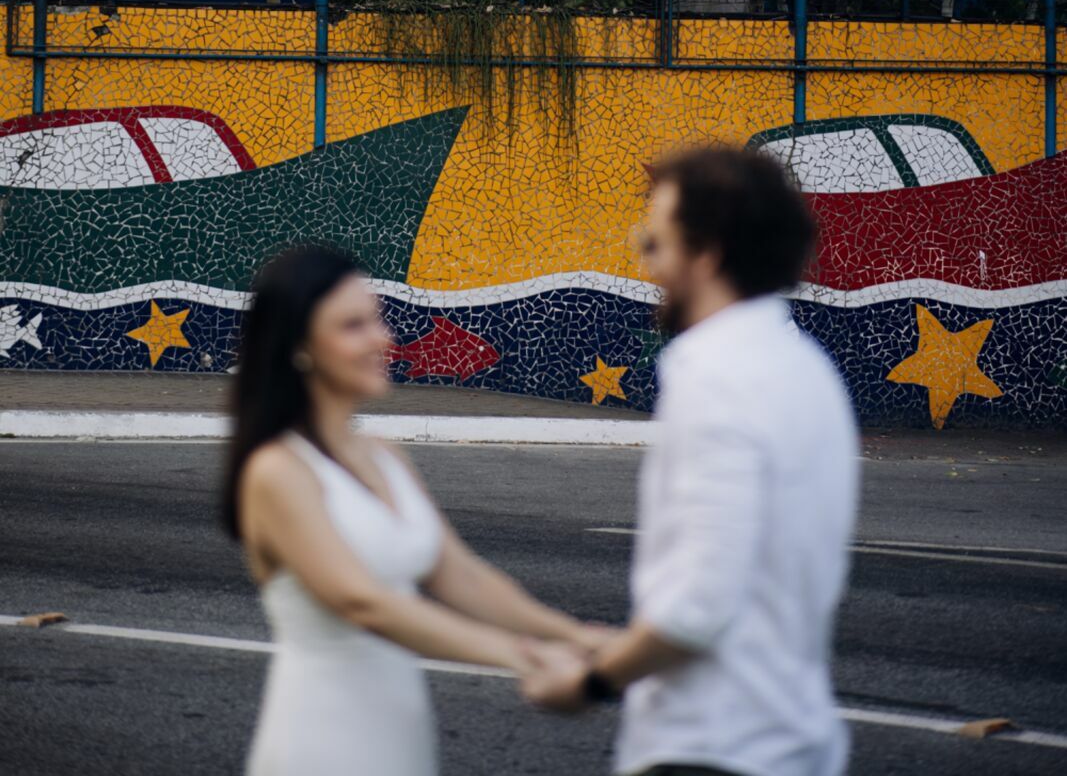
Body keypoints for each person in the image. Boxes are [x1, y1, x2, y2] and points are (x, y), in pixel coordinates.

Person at [523, 143, 859, 776]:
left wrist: (592, 681)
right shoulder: (807, 369)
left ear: (706, 255)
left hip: (711, 744)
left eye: (654, 243)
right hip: (795, 738)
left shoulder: (714, 377)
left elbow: (697, 608)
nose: (646, 263)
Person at [224, 245, 598, 776]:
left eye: (375, 318)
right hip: (321, 744)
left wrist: (576, 636)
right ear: (299, 346)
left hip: (399, 739)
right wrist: (525, 657)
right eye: (353, 325)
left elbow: (458, 575)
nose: (382, 338)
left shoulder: (383, 455)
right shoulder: (277, 470)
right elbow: (363, 603)